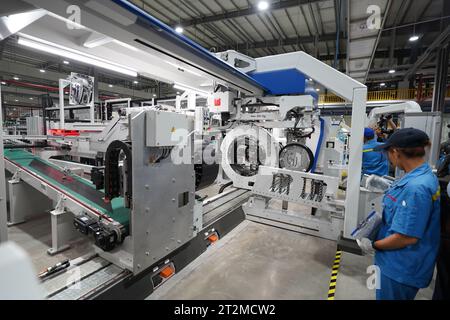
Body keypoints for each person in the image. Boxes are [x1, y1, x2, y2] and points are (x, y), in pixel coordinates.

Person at [357, 128, 441, 300]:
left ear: (395, 152)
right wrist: (389, 187)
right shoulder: (422, 175)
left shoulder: (415, 188)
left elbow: (406, 237)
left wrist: (374, 246)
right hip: (401, 262)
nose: (388, 158)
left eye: (387, 152)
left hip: (399, 267)